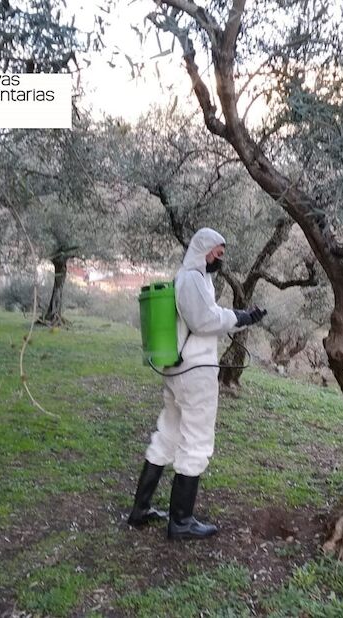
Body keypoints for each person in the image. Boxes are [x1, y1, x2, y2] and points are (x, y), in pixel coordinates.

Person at [127, 228, 267, 540]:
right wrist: (240, 317)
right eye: (217, 252)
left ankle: (141, 510)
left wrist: (240, 316)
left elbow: (204, 315)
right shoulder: (191, 278)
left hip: (181, 369)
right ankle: (181, 522)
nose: (220, 258)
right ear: (203, 248)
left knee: (169, 435)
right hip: (195, 371)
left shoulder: (196, 276)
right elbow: (203, 321)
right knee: (197, 441)